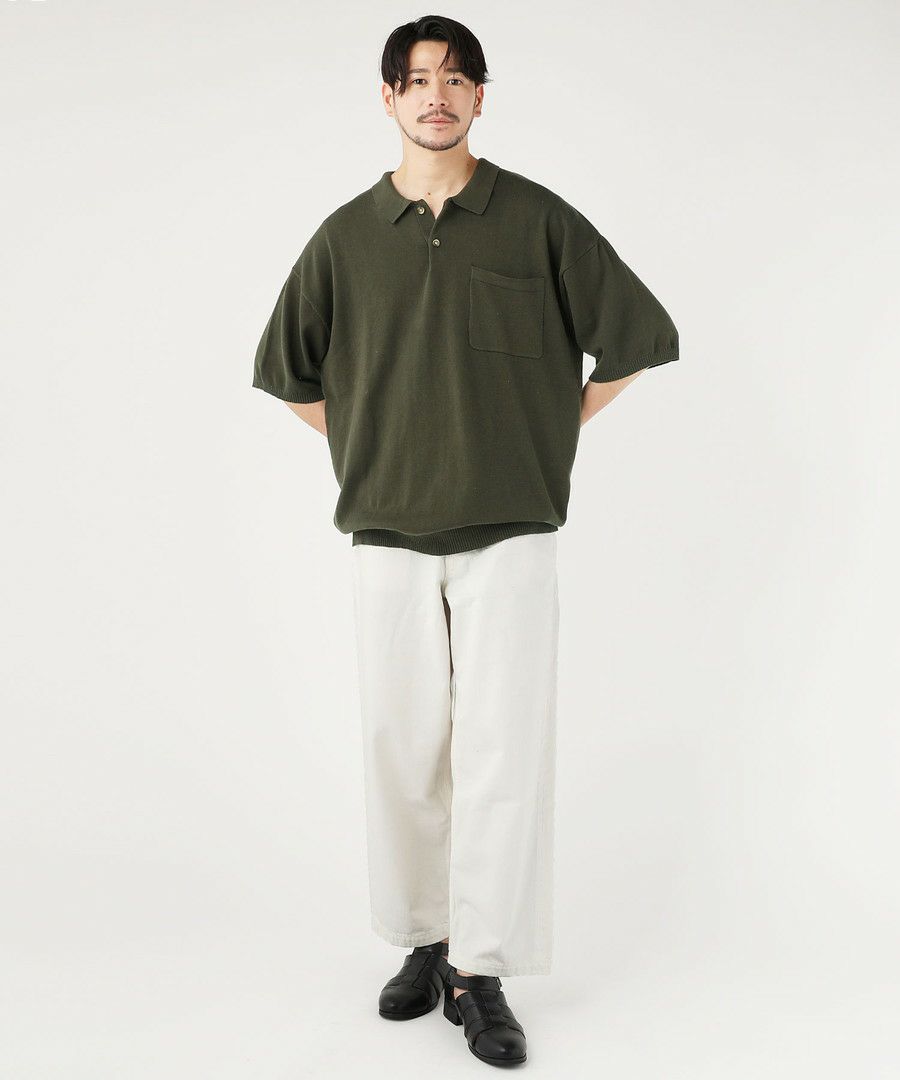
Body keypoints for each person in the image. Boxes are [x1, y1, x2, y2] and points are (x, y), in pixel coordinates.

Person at [251, 14, 679, 1068]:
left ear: (481, 96)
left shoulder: (536, 219)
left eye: (454, 79)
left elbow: (636, 337)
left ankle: (481, 971)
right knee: (402, 752)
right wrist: (371, 444)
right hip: (386, 531)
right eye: (415, 80)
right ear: (387, 99)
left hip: (510, 532)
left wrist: (548, 430)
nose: (434, 96)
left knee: (501, 753)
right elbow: (289, 373)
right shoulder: (347, 237)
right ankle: (425, 941)